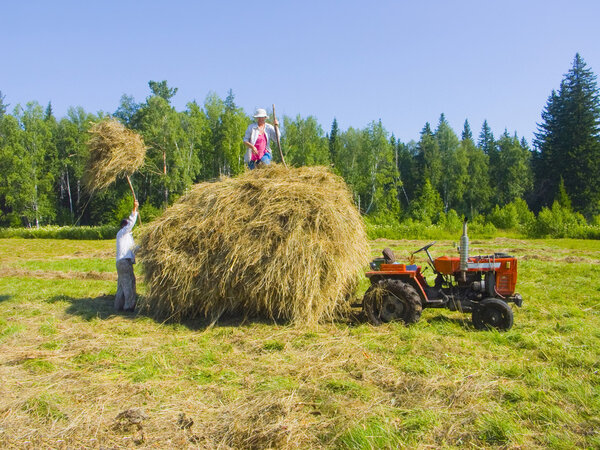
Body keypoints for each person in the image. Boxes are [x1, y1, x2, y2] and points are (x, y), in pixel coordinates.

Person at [115, 200, 139, 312]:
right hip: (124, 262)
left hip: (123, 262)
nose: (128, 227)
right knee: (129, 283)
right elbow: (130, 224)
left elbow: (134, 248)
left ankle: (118, 306)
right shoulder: (122, 233)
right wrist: (134, 209)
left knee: (122, 285)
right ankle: (128, 307)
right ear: (123, 226)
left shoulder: (128, 237)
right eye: (126, 225)